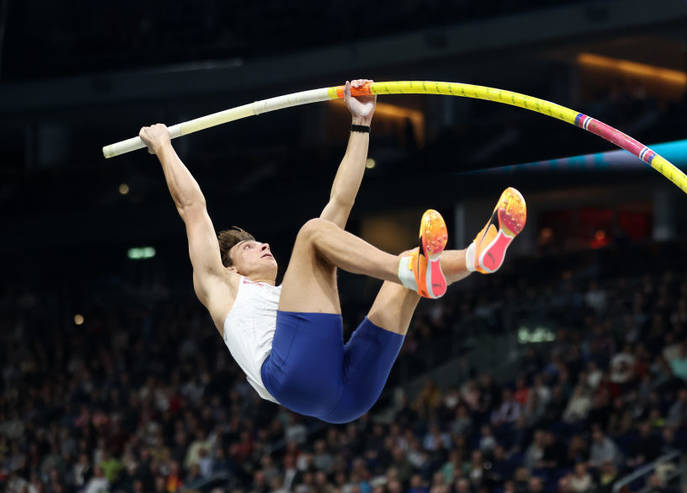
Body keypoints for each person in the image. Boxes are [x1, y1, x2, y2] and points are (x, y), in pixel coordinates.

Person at [138, 79, 526, 424]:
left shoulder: (293, 296)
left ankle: (477, 255)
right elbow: (192, 208)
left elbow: (341, 200)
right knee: (313, 235)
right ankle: (411, 270)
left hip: (345, 397)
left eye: (258, 241)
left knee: (394, 265)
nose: (264, 245)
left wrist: (360, 123)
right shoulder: (219, 286)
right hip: (292, 377)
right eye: (247, 247)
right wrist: (163, 147)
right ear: (230, 266)